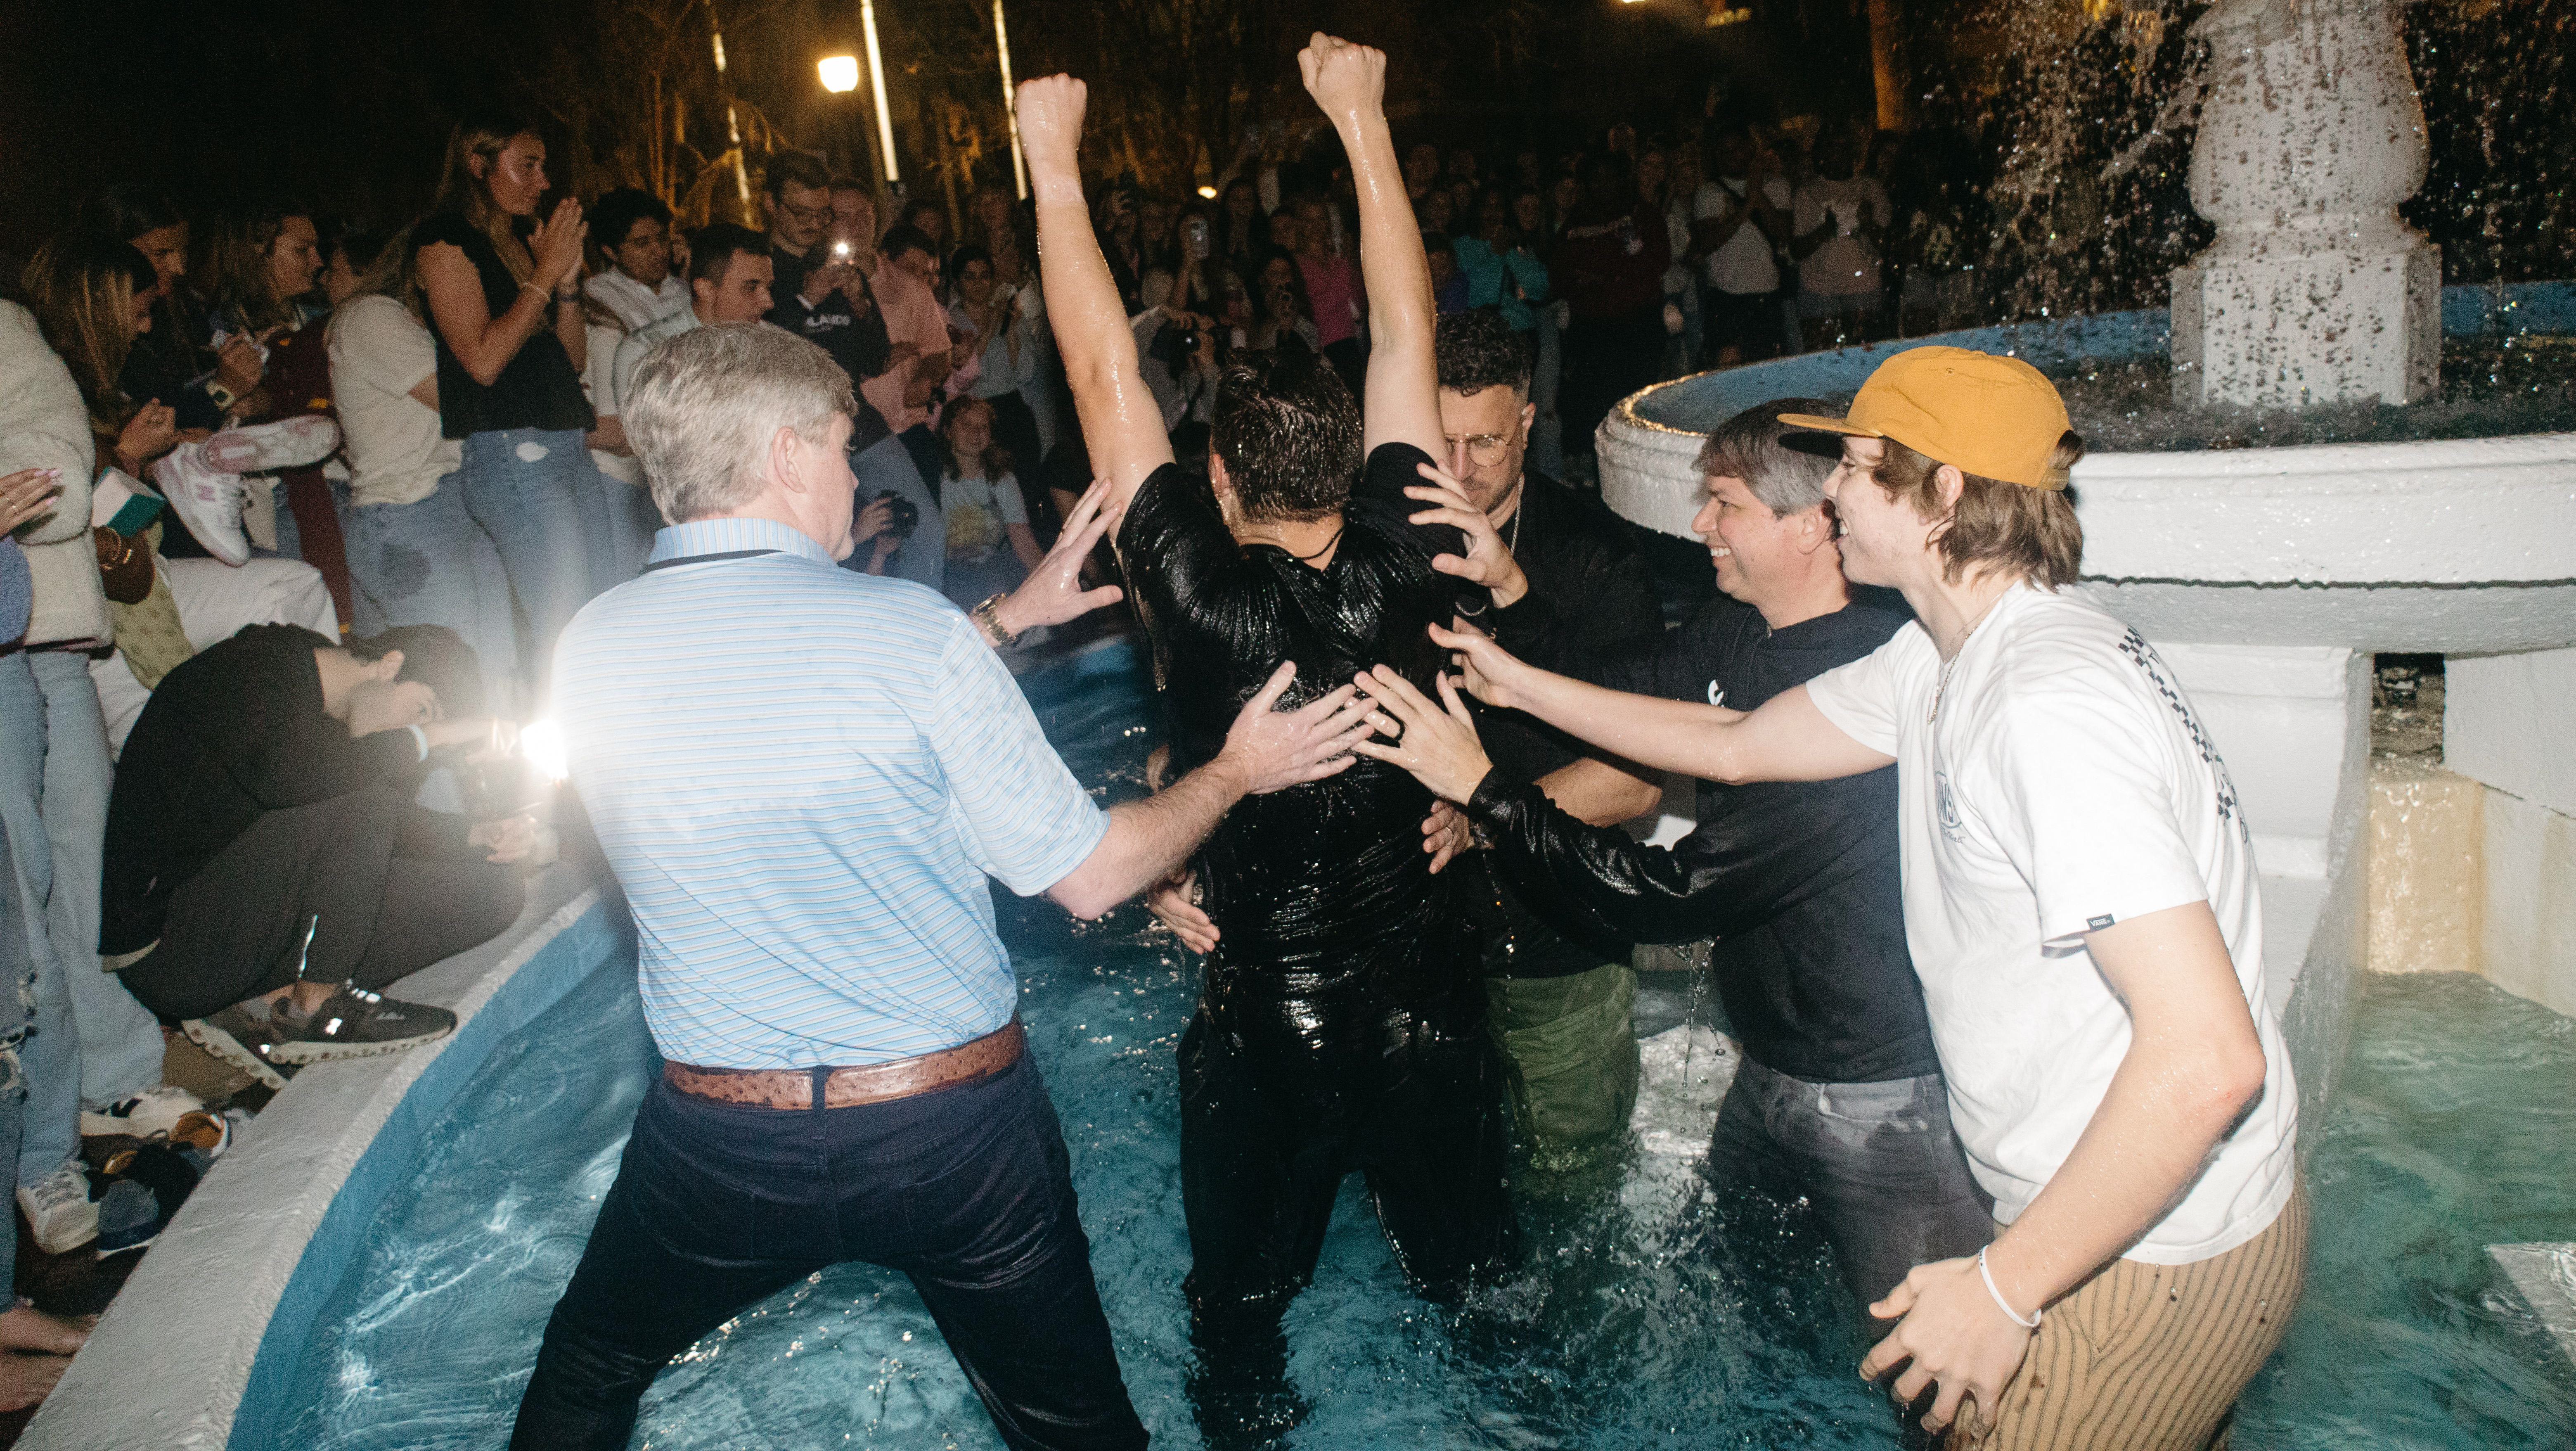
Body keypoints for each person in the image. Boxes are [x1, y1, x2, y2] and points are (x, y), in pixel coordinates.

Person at [1357, 346, 2304, 1448]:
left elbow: (2210, 1057)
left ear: (1943, 493)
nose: (1834, 491)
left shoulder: (2044, 707)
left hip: (2150, 1246)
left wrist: (2002, 1289)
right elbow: (1739, 740)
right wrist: (1512, 680)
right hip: (2121, 1214)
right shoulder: (1947, 660)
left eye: (1856, 465)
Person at [509, 320, 1373, 1451]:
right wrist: (1234, 771)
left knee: (586, 1371)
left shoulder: (586, 648)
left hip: (718, 1144)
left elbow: (768, 692)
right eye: (834, 449)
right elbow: (1092, 878)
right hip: (949, 1140)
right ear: (781, 456)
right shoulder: (909, 638)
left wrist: (1009, 618)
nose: (850, 476)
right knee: (1079, 1433)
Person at [1020, 42, 1517, 1446]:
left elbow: (1101, 360)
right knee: (1482, 1289)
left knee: (1240, 1313)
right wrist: (1362, 115)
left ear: (1219, 478)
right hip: (1430, 993)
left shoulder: (1192, 584)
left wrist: (1053, 159)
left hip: (1273, 1017)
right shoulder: (1408, 548)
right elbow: (1409, 328)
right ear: (1363, 457)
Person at [1397, 395, 1996, 1323]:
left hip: (1878, 1097)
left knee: (1936, 1364)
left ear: (1811, 525)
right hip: (1771, 1068)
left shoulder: (1853, 688)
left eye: (1725, 503)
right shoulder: (1739, 628)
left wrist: (1486, 792)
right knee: (1755, 1312)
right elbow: (1618, 688)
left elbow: (1663, 896)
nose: (1700, 525)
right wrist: (1512, 585)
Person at [1151, 307, 1662, 1162]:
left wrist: (1479, 818)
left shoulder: (1598, 562)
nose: (1456, 470)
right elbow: (1213, 722)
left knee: (1570, 1190)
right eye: (1440, 440)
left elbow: (1639, 783)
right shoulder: (1352, 540)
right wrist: (1179, 832)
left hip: (1554, 957)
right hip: (1414, 969)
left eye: (1487, 444)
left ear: (1529, 425)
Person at [107, 624, 528, 1088]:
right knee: (366, 775)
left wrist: (475, 835)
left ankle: (267, 1003)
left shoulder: (336, 730)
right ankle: (313, 1011)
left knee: (493, 891)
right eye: (420, 712)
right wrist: (431, 738)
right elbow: (288, 775)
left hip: (247, 929)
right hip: (172, 948)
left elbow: (371, 828)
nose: (414, 733)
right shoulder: (248, 670)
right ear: (390, 666)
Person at [10, 240, 213, 1157]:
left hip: (43, 643)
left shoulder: (14, 340)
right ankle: (53, 1132)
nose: (153, 305)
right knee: (24, 907)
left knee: (81, 867)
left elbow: (54, 487)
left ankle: (114, 1077)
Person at [415, 113, 608, 712]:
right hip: (514, 459)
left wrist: (566, 285)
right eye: (528, 165)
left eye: (544, 166)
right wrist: (544, 277)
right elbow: (482, 360)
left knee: (602, 616)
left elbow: (567, 360)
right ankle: (563, 786)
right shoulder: (444, 242)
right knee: (567, 638)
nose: (543, 182)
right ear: (478, 166)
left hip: (565, 448)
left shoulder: (518, 248)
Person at [330, 224, 523, 716]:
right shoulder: (370, 316)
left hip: (447, 510)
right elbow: (471, 403)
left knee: (489, 684)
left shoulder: (413, 327)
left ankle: (480, 793)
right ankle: (442, 797)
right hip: (409, 518)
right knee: (444, 696)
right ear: (419, 269)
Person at [1549, 152, 1669, 460]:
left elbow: (1657, 261)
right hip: (1592, 332)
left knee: (1637, 406)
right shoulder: (1576, 222)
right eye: (1596, 178)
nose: (1603, 184)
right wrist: (1595, 276)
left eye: (1609, 176)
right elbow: (1561, 273)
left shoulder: (1643, 214)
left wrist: (1606, 275)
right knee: (1594, 408)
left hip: (1637, 327)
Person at [609, 224, 776, 405]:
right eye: (751, 287)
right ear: (706, 290)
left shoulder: (776, 344)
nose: (768, 303)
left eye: (768, 287)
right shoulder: (646, 353)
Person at [924, 395, 1041, 609]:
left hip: (995, 563)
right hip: (949, 568)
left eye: (983, 427)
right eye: (966, 425)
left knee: (1000, 578)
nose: (976, 433)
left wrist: (1048, 580)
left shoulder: (1002, 480)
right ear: (948, 432)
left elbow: (1023, 541)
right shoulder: (935, 479)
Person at [1695, 126, 1795, 365]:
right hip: (1726, 298)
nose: (1732, 155)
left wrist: (1758, 193)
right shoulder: (1708, 193)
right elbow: (1707, 243)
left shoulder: (1778, 186)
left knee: (1768, 371)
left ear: (1750, 151)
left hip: (1766, 295)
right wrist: (1748, 205)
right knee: (1727, 376)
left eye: (1738, 148)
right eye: (1725, 150)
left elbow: (1784, 234)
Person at [1790, 128, 1893, 351]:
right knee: (1822, 364)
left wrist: (1867, 224)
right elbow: (1796, 250)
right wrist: (1826, 230)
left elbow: (1888, 246)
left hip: (1864, 290)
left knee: (1866, 363)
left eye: (1844, 148)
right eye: (1833, 148)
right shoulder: (1807, 194)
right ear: (1821, 154)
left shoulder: (1871, 189)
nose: (1839, 154)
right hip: (1819, 291)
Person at [582, 189, 687, 332]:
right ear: (611, 252)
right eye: (642, 243)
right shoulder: (600, 294)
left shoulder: (681, 288)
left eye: (663, 239)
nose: (660, 251)